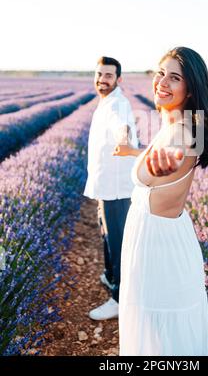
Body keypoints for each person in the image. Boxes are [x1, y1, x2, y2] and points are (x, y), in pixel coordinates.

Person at [114, 47, 208, 356]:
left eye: (174, 77)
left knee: (160, 336)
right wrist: (134, 152)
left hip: (159, 248)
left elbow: (176, 155)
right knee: (153, 329)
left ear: (190, 90)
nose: (162, 82)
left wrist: (163, 166)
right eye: (160, 73)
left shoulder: (185, 131)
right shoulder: (176, 122)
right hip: (156, 238)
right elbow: (161, 155)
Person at [84, 56, 138, 320]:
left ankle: (119, 298)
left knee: (118, 241)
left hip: (117, 188)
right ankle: (110, 275)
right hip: (105, 183)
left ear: (118, 79)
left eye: (107, 75)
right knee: (107, 233)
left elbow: (122, 126)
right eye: (99, 74)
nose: (102, 80)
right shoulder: (106, 102)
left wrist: (124, 138)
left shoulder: (118, 103)